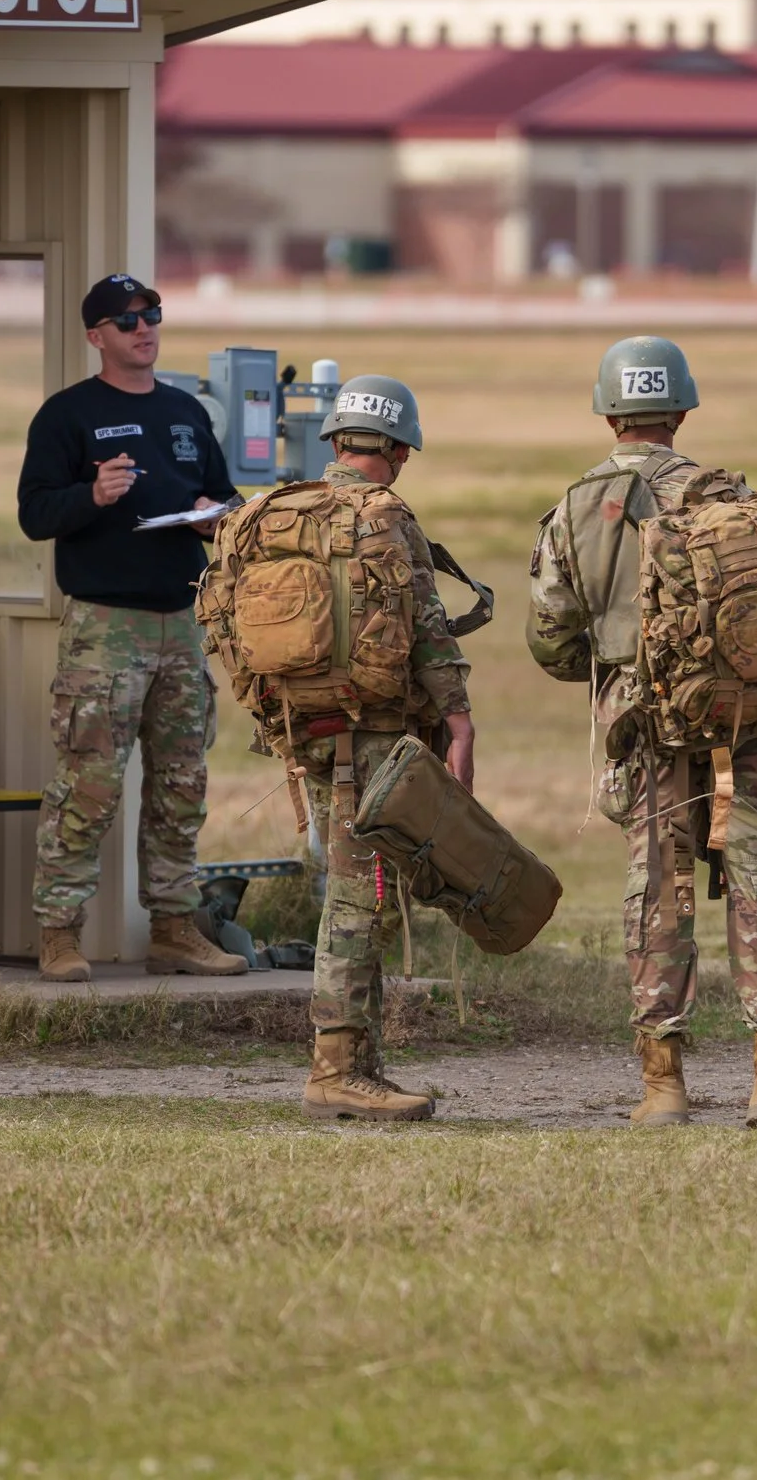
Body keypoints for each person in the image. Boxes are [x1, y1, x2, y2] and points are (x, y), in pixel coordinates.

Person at [526, 337, 757, 1130]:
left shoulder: (573, 510)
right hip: (742, 717)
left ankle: (663, 1087)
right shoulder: (731, 495)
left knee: (659, 892)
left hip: (642, 726)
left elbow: (551, 642)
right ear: (682, 411)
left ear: (609, 414)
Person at [15, 274, 244, 983]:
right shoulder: (68, 415)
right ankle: (58, 932)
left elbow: (223, 498)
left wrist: (217, 516)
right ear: (97, 336)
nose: (143, 328)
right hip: (106, 628)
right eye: (126, 320)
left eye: (152, 315)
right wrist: (93, 494)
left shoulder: (184, 412)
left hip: (180, 621)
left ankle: (174, 928)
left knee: (181, 784)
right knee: (89, 785)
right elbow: (35, 514)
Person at [263, 376, 476, 1121]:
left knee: (356, 890)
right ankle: (334, 1070)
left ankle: (362, 1061)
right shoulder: (385, 515)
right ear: (394, 448)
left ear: (335, 442)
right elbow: (427, 626)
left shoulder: (280, 510)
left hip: (308, 729)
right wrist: (458, 721)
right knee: (362, 900)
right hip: (374, 736)